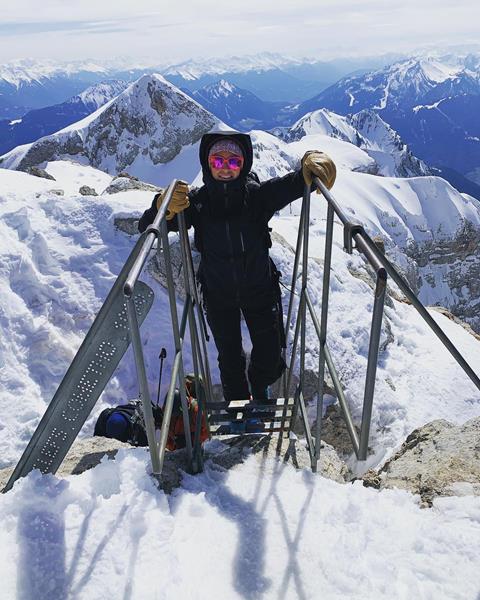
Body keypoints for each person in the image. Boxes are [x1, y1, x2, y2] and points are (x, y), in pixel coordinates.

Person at [138, 131, 336, 407]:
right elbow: (150, 225)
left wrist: (309, 167)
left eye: (234, 161)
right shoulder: (198, 203)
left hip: (260, 289)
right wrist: (162, 205)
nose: (226, 168)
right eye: (218, 161)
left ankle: (259, 386)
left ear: (244, 165)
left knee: (269, 354)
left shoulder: (256, 197)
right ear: (207, 164)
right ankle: (239, 409)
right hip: (218, 294)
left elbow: (291, 185)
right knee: (229, 359)